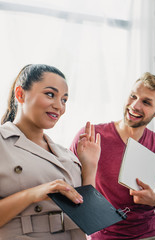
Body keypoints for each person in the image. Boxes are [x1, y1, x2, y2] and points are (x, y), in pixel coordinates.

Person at [0, 64, 101, 240]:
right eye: (50, 94)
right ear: (20, 94)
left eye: (64, 100)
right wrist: (35, 193)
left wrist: (90, 167)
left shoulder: (66, 154)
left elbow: (87, 217)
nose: (59, 106)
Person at [70, 72, 155, 240]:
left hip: (148, 233)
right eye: (133, 96)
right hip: (103, 234)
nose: (135, 105)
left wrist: (154, 198)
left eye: (146, 102)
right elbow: (66, 180)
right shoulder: (91, 136)